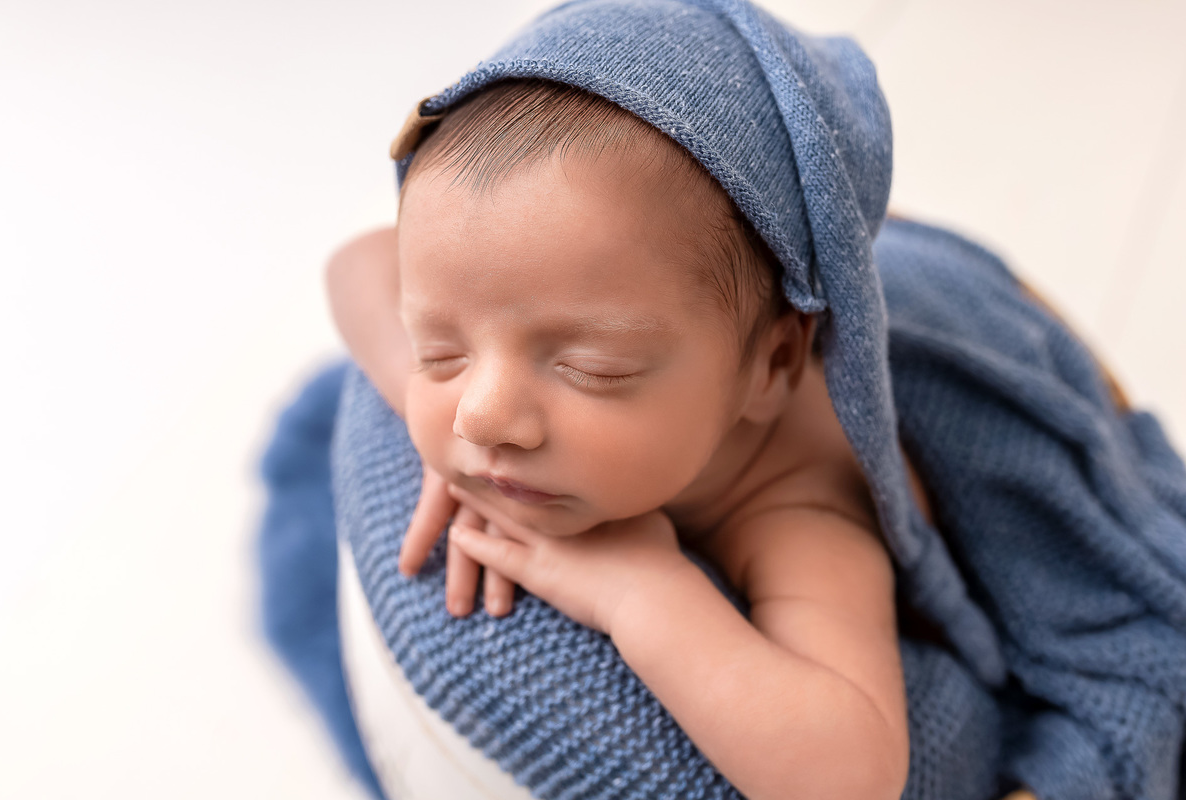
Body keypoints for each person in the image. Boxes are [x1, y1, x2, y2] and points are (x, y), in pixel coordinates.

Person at [327, 75, 912, 799]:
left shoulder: (795, 507)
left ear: (774, 366)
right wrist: (416, 385)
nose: (481, 417)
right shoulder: (498, 379)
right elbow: (355, 264)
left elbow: (851, 777)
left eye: (590, 369)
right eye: (441, 351)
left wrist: (643, 593)